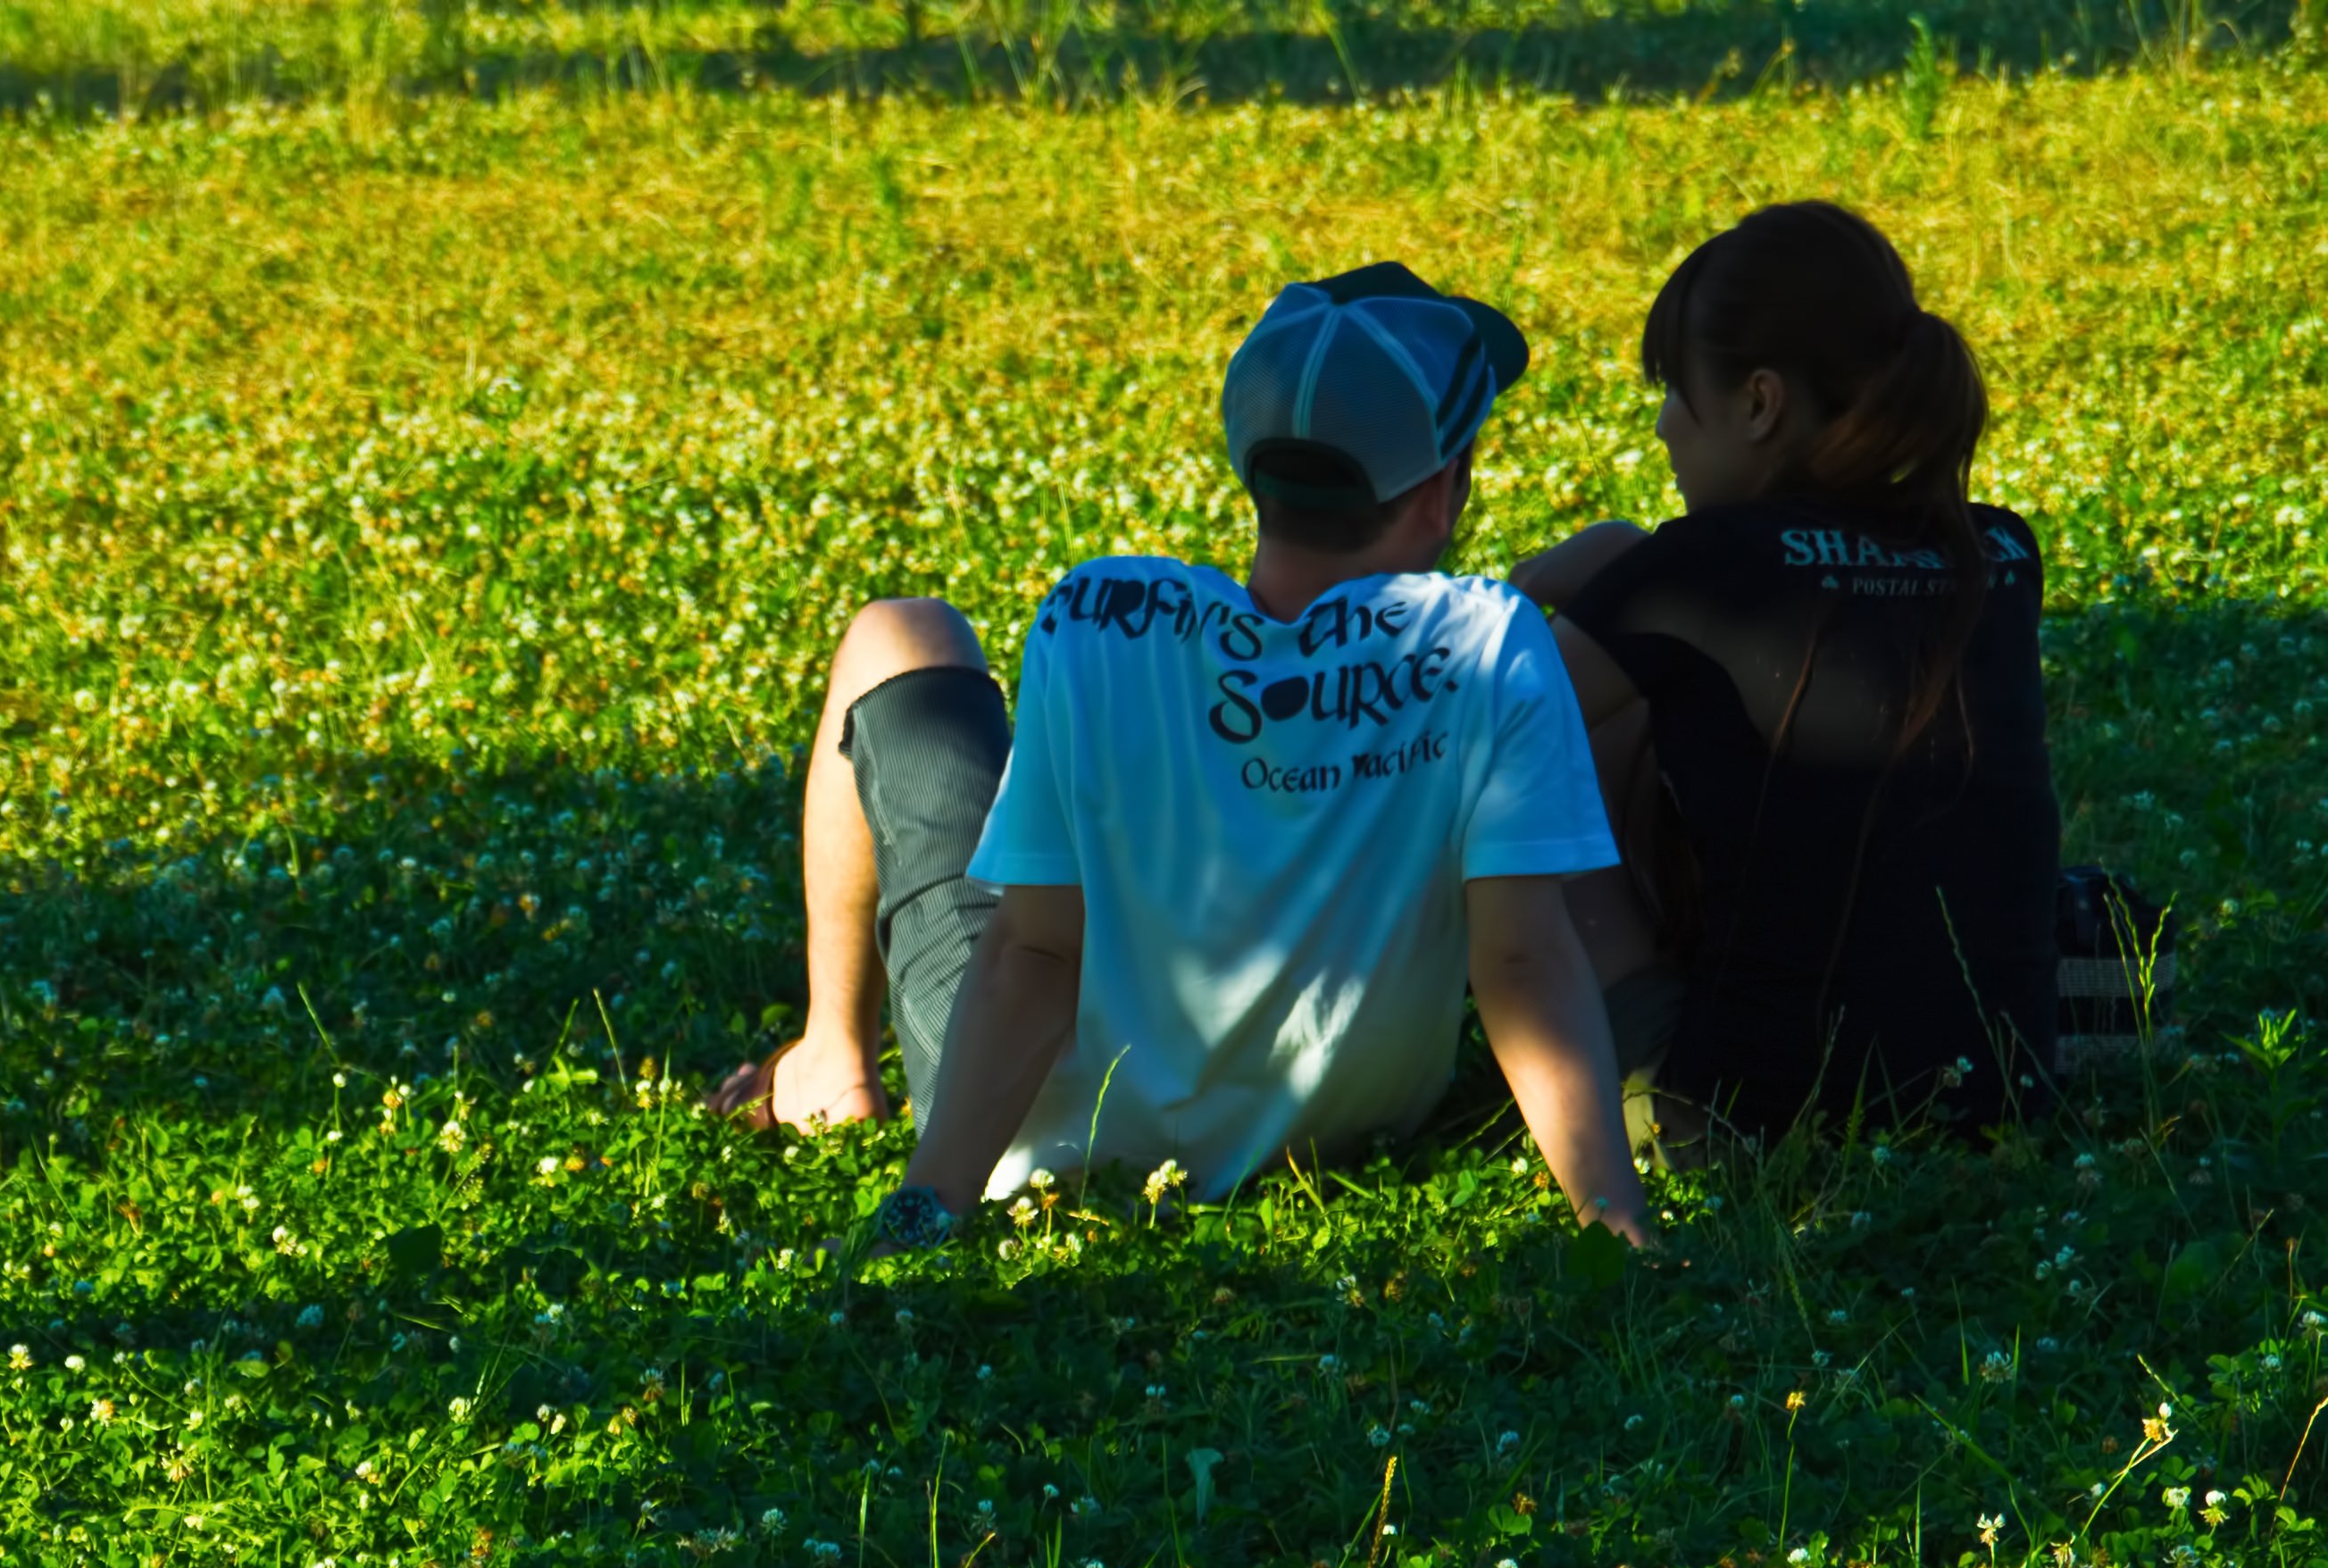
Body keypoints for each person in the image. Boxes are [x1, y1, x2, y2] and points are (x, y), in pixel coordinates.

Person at [710, 263, 1654, 1254]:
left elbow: (1034, 956)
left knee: (899, 631)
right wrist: (1612, 1216)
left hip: (1047, 1133)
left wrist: (927, 1208)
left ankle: (832, 1057)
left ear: (1252, 468)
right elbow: (1521, 957)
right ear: (1444, 489)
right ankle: (830, 1059)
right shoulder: (1489, 650)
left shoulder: (1099, 620)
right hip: (1341, 1130)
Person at [1509, 200, 2060, 1144]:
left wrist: (1526, 594)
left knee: (1529, 782)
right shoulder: (1997, 552)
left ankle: (1638, 1072)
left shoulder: (1696, 574)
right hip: (2002, 1094)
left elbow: (1470, 732)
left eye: (1680, 393)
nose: (1661, 425)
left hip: (1741, 1118)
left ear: (1760, 403)